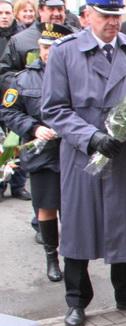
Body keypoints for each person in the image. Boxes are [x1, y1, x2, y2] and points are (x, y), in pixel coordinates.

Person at [41, 0, 126, 326]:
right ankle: (77, 299)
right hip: (83, 156)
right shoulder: (65, 52)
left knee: (125, 223)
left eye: (116, 15)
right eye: (105, 15)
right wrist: (91, 138)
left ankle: (125, 290)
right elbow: (54, 109)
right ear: (87, 16)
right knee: (79, 227)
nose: (112, 22)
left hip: (124, 154)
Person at [1, 23, 73, 281]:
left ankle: (74, 258)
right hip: (42, 155)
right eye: (45, 48)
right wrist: (34, 128)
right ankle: (51, 258)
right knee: (47, 207)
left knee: (73, 210)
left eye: (54, 48)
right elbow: (8, 111)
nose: (49, 53)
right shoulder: (23, 79)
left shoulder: (76, 76)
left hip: (72, 153)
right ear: (39, 48)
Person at [0, 0, 67, 88]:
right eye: (51, 9)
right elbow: (4, 74)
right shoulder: (19, 41)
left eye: (60, 9)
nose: (56, 13)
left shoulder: (76, 36)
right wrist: (28, 85)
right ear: (40, 10)